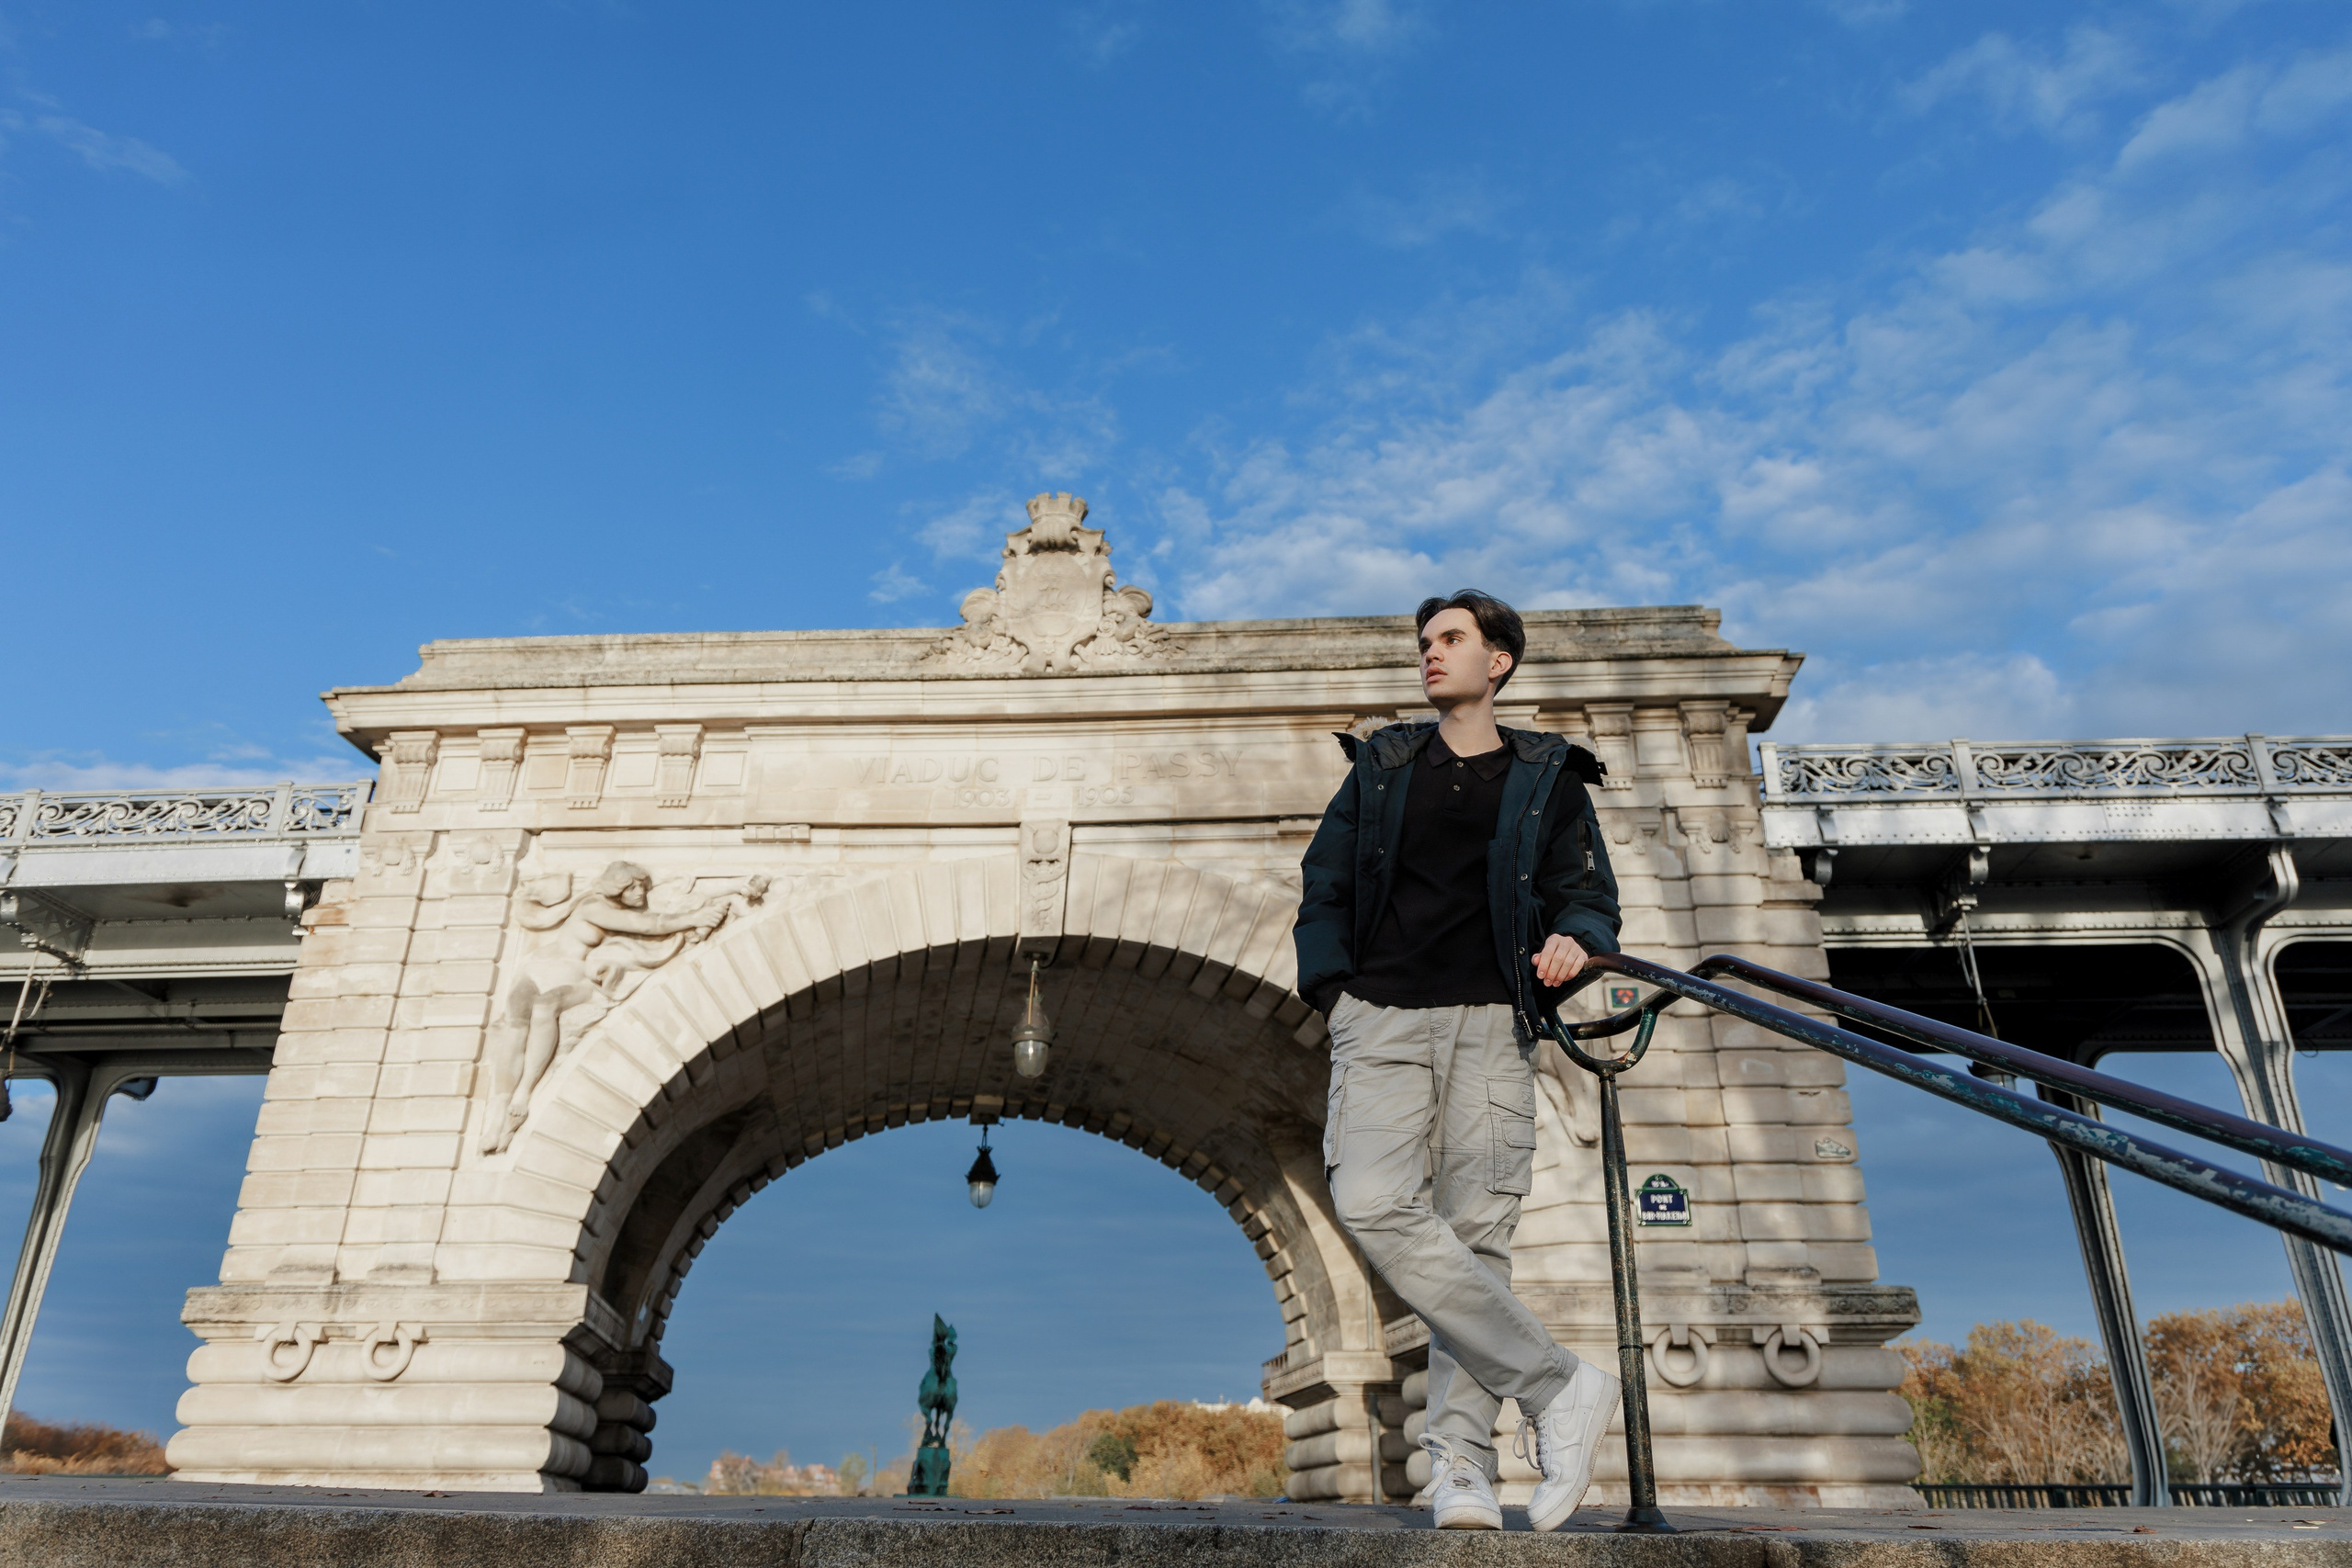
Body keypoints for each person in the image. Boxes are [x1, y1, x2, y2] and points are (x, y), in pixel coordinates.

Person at [1293, 590, 1624, 1531]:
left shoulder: (1550, 777)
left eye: (1450, 641)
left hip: (1490, 1019)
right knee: (1369, 1200)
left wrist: (1576, 936)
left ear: (1499, 662)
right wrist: (1335, 990)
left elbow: (1586, 894)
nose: (1430, 655)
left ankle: (1460, 1469)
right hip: (1382, 1016)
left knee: (1476, 1240)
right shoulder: (1383, 765)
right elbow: (1323, 882)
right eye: (1425, 642)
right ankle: (1557, 1384)